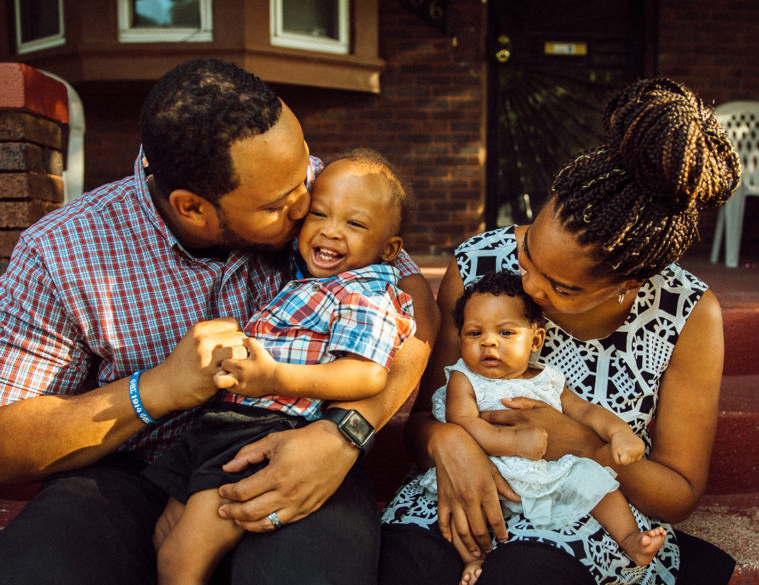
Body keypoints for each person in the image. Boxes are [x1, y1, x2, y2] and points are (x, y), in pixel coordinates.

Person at [0, 59, 439, 585]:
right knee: (42, 564)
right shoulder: (60, 251)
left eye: (305, 178)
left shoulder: (321, 190)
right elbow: (8, 441)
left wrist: (347, 430)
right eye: (282, 204)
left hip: (294, 443)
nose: (306, 206)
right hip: (133, 470)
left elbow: (417, 306)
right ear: (193, 208)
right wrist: (157, 389)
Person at [379, 77, 740, 585]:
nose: (529, 286)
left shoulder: (687, 312)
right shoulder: (480, 262)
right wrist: (448, 444)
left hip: (581, 513)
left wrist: (579, 443)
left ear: (628, 283)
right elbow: (423, 420)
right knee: (408, 568)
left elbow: (677, 493)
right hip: (465, 485)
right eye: (528, 255)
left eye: (561, 287)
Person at [145, 147, 417, 584]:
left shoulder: (365, 294)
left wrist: (275, 376)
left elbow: (367, 374)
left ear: (390, 248)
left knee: (180, 558)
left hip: (261, 432)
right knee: (165, 535)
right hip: (218, 425)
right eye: (320, 215)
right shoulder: (313, 280)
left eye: (354, 224)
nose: (330, 232)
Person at [393, 270, 666, 585]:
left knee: (596, 482)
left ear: (535, 339)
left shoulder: (546, 378)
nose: (489, 342)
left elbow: (586, 410)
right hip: (486, 471)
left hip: (544, 473)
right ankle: (473, 559)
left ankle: (631, 538)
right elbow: (463, 422)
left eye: (506, 333)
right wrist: (512, 443)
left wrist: (619, 433)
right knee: (459, 509)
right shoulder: (464, 378)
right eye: (474, 333)